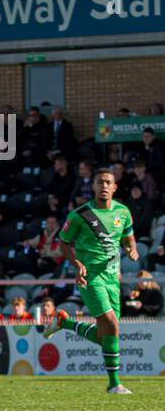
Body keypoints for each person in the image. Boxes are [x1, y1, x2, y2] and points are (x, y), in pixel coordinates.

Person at [42, 167, 138, 394]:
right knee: (112, 325)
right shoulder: (79, 215)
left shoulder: (123, 212)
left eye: (108, 182)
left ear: (114, 187)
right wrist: (77, 264)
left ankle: (64, 323)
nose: (104, 186)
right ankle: (114, 384)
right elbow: (64, 243)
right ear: (93, 186)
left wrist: (131, 249)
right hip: (90, 277)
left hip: (112, 278)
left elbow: (128, 237)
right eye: (99, 182)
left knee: (105, 334)